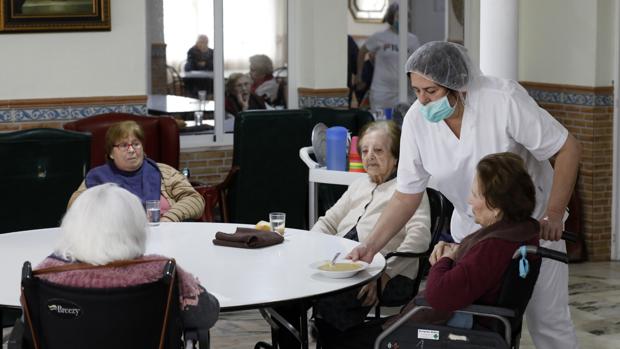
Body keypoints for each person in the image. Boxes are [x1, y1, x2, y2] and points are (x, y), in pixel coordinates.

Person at [349, 41, 581, 349]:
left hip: (532, 229)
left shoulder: (502, 100)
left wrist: (554, 213)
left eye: (430, 91)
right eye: (416, 90)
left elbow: (567, 148)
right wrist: (370, 247)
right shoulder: (418, 120)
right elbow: (407, 195)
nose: (421, 100)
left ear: (457, 84)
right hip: (474, 234)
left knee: (548, 322)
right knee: (472, 326)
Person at [328, 152, 541, 348]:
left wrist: (444, 261)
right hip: (483, 324)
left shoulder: (493, 245)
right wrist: (458, 252)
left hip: (459, 330)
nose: (469, 200)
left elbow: (439, 296)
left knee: (347, 342)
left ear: (495, 207)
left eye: (475, 194)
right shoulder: (522, 231)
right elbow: (479, 270)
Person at [277, 121, 432, 348]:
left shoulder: (408, 191)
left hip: (386, 273)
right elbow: (328, 222)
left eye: (378, 151)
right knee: (288, 293)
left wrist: (385, 272)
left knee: (332, 300)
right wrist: (306, 248)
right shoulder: (359, 184)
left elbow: (419, 239)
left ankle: (333, 341)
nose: (369, 156)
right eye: (365, 150)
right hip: (342, 264)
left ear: (397, 157)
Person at [16, 184, 219, 342]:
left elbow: (31, 324)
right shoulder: (162, 271)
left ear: (73, 224)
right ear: (135, 226)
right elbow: (206, 316)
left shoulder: (44, 273)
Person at [68, 121, 205, 222]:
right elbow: (75, 209)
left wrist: (170, 217)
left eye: (136, 144)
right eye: (123, 145)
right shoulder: (96, 178)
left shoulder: (163, 172)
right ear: (110, 152)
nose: (132, 150)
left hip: (167, 236)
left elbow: (195, 200)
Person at [355, 1, 420, 112]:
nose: (403, 20)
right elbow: (362, 52)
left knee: (403, 125)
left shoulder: (412, 40)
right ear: (391, 18)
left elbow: (418, 64)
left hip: (405, 92)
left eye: (406, 17)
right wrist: (359, 75)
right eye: (398, 17)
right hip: (381, 92)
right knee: (382, 125)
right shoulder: (379, 37)